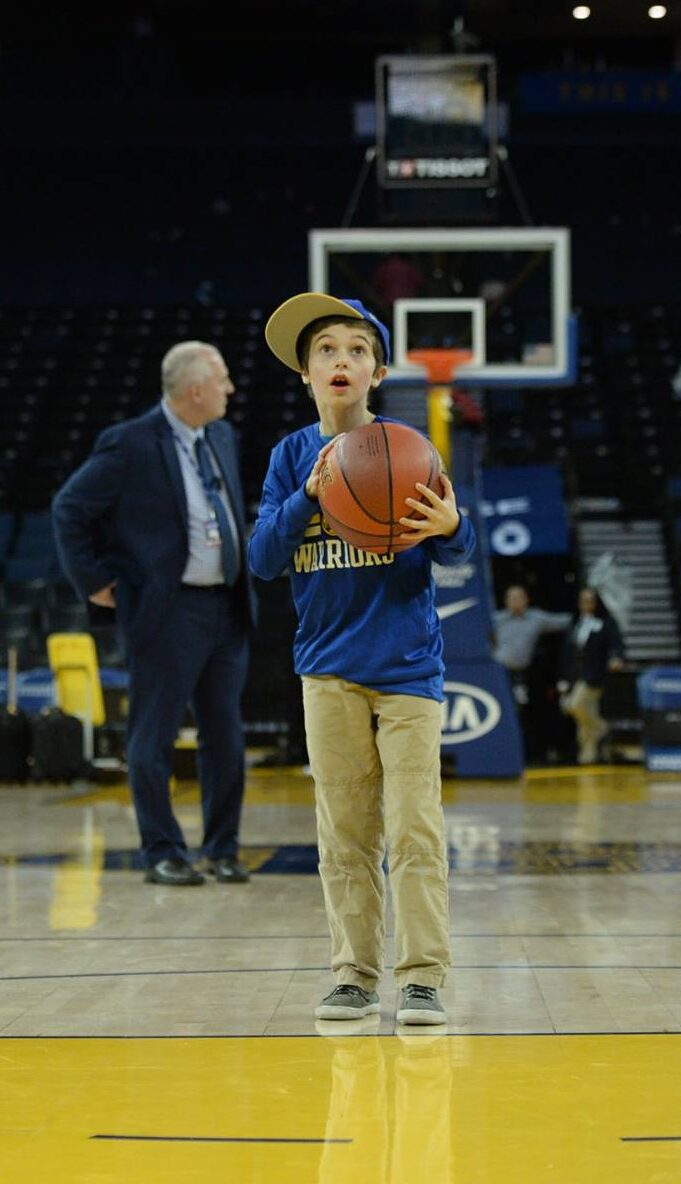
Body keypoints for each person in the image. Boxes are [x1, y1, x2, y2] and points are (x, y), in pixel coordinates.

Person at [250, 292, 476, 1026]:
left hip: (409, 671)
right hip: (327, 671)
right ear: (306, 375)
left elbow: (454, 544)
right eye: (325, 351)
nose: (340, 360)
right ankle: (352, 972)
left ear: (376, 372)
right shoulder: (289, 456)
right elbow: (260, 559)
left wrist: (455, 526)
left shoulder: (409, 448)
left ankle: (422, 978)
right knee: (344, 832)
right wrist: (307, 498)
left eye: (354, 349)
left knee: (414, 826)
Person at [52, 342, 257, 886]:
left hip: (226, 606)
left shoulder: (222, 436)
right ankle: (162, 850)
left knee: (226, 737)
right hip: (167, 611)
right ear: (195, 390)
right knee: (154, 736)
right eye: (223, 380)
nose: (230, 390)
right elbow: (69, 508)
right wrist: (93, 581)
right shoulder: (130, 443)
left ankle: (223, 848)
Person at [491, 584, 571, 763]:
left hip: (523, 675)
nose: (515, 601)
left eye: (519, 597)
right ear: (506, 601)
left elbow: (565, 621)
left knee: (523, 714)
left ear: (526, 599)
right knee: (497, 711)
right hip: (497, 674)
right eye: (511, 598)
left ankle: (528, 754)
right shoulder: (496, 619)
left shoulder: (536, 618)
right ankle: (500, 755)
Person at [558, 587, 624, 765]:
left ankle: (602, 728)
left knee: (576, 706)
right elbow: (567, 652)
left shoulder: (607, 622)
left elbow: (616, 644)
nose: (585, 604)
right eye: (582, 600)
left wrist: (616, 658)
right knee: (584, 718)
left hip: (594, 675)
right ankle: (589, 755)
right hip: (574, 675)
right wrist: (564, 677)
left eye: (589, 600)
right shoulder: (576, 623)